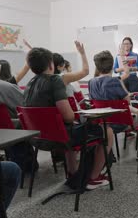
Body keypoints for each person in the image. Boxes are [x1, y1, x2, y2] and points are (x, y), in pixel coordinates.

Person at [23, 45, 113, 190]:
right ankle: (94, 177)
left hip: (37, 139)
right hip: (59, 139)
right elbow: (69, 117)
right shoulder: (55, 81)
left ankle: (73, 173)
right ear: (51, 65)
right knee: (107, 131)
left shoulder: (29, 84)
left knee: (68, 129)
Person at [89, 50, 138, 159]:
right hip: (119, 123)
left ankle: (109, 152)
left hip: (101, 122)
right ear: (112, 65)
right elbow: (126, 102)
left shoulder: (91, 82)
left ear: (97, 66)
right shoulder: (115, 81)